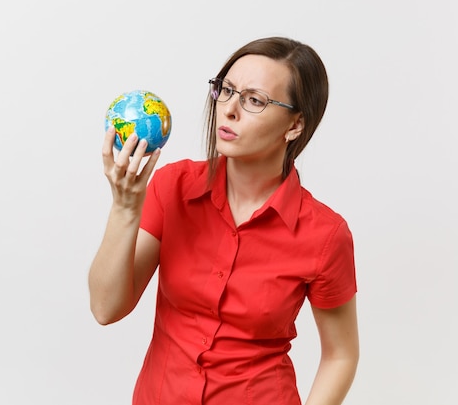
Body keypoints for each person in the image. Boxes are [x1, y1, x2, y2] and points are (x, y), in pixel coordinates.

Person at [88, 36, 359, 405]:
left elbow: (341, 354)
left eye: (254, 100)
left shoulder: (325, 235)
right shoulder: (173, 187)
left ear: (295, 125)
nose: (229, 109)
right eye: (226, 90)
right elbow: (106, 308)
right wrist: (125, 208)